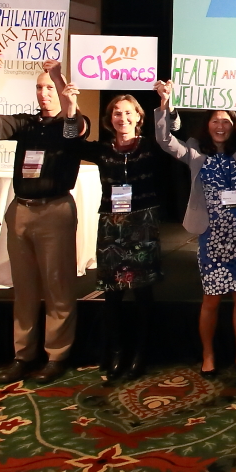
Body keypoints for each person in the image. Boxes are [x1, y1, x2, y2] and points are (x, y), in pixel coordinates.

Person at [0, 54, 88, 386]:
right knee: (23, 288)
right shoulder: (26, 123)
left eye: (50, 88)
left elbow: (75, 127)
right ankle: (23, 354)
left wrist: (61, 80)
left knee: (57, 285)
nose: (44, 93)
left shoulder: (70, 122)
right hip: (21, 209)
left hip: (55, 210)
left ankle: (56, 355)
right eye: (40, 88)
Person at [153, 79, 236, 377]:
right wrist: (165, 104)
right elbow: (165, 140)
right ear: (207, 125)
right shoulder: (194, 152)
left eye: (226, 120)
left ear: (234, 125)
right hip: (212, 238)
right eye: (215, 120)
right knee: (211, 300)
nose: (220, 125)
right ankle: (208, 355)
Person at [60, 85, 163, 382]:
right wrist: (71, 107)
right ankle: (116, 352)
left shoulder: (150, 146)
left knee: (142, 294)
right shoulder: (104, 149)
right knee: (112, 295)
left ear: (138, 117)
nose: (123, 118)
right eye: (117, 113)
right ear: (110, 119)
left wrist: (165, 105)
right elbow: (70, 144)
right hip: (111, 226)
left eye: (128, 113)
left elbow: (170, 135)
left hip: (142, 224)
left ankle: (140, 355)